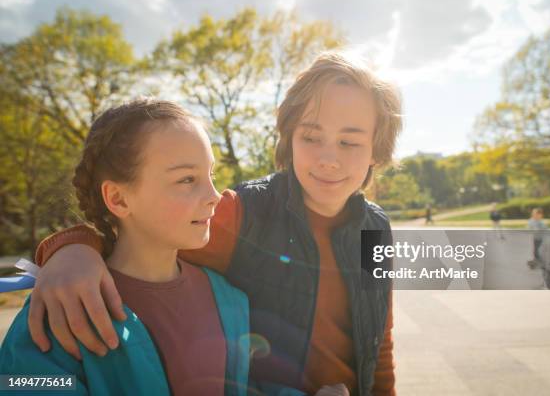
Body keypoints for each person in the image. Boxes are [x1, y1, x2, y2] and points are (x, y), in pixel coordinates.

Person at [28, 52, 401, 395]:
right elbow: (139, 233)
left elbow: (379, 339)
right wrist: (71, 249)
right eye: (310, 136)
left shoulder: (376, 228)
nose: (328, 159)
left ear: (376, 149)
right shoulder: (238, 214)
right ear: (289, 138)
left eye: (349, 143)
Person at [0, 99, 251, 395]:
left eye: (211, 175)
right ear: (118, 199)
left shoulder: (231, 300)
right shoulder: (59, 306)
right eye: (186, 179)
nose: (214, 195)